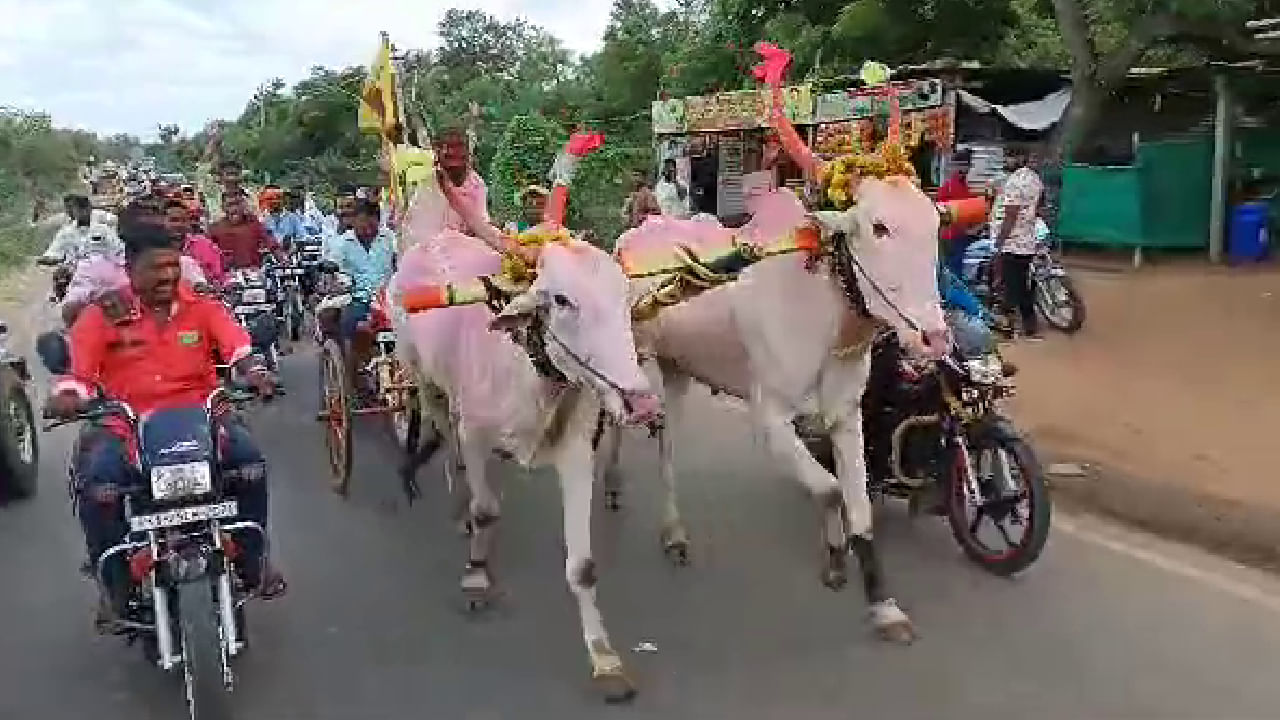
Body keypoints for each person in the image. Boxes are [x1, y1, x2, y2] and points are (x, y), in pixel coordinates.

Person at [43, 223, 286, 629]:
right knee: (97, 484)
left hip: (204, 418)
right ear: (130, 268)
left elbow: (238, 348)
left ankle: (252, 558)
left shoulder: (202, 307)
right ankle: (115, 584)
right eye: (156, 268)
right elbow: (78, 373)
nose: (168, 276)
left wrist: (256, 372)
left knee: (249, 463)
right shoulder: (102, 314)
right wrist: (68, 396)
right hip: (127, 426)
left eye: (173, 266)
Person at [324, 198, 395, 399]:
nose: (366, 230)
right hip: (357, 298)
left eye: (371, 225)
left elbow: (401, 260)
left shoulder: (389, 238)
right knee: (356, 329)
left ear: (378, 221)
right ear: (353, 221)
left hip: (388, 297)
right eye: (362, 225)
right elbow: (332, 267)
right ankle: (356, 379)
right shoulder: (343, 243)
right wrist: (337, 281)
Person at [990, 147, 1044, 340]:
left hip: (1013, 243)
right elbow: (1039, 206)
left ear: (1020, 158)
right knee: (1022, 284)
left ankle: (1015, 326)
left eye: (1010, 156)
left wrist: (1000, 241)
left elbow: (1010, 215)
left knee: (1014, 286)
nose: (1007, 160)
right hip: (1027, 240)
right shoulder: (1034, 178)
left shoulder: (1014, 182)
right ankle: (1027, 322)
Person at [434, 128, 490, 235]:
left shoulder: (476, 185)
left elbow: (481, 225)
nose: (450, 152)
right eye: (448, 156)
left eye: (457, 148)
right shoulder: (430, 183)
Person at [39, 195, 123, 266]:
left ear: (90, 209)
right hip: (74, 273)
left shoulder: (103, 230)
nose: (82, 213)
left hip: (100, 271)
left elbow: (118, 250)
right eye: (77, 210)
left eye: (84, 209)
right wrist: (48, 258)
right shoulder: (65, 232)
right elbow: (54, 251)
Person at [210, 192, 282, 270]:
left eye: (237, 204)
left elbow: (269, 241)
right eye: (230, 205)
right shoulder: (216, 228)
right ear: (223, 208)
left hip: (253, 272)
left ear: (243, 206)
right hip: (227, 274)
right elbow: (207, 251)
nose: (234, 209)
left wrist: (281, 257)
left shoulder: (253, 223)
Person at [164, 198, 225, 286]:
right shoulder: (153, 248)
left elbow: (219, 278)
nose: (179, 225)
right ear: (162, 221)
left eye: (184, 220)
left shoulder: (204, 244)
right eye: (174, 220)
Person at [937, 148, 977, 277]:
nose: (964, 169)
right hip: (950, 237)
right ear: (954, 166)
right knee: (952, 273)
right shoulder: (948, 187)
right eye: (961, 165)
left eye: (967, 165)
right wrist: (966, 230)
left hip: (960, 237)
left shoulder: (965, 186)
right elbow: (943, 215)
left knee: (956, 272)